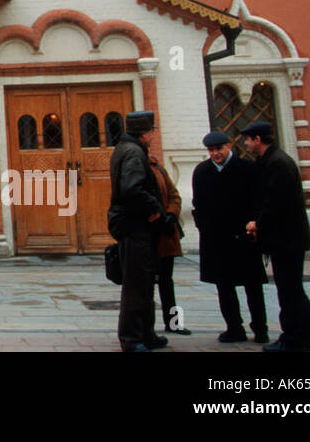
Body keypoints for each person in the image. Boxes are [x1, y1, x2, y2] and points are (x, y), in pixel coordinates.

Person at [243, 122, 310, 351]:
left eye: (248, 139)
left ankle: (293, 339)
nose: (245, 143)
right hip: (284, 238)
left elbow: (274, 202)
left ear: (258, 139)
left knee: (288, 291)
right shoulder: (271, 161)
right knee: (292, 289)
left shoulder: (278, 164)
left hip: (287, 239)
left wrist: (257, 223)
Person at [191, 130, 267, 343]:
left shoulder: (246, 169)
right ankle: (234, 327)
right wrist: (204, 228)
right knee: (224, 286)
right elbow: (198, 204)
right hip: (216, 239)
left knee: (252, 285)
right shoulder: (202, 171)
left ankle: (260, 328)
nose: (216, 154)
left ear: (229, 146)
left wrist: (253, 224)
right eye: (211, 150)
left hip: (243, 237)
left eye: (219, 149)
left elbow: (257, 200)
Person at [108, 110, 172, 352]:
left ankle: (146, 333)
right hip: (135, 225)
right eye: (152, 130)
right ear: (146, 132)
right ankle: (132, 339)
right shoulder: (133, 152)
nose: (154, 134)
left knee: (145, 282)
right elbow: (131, 189)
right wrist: (154, 208)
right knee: (136, 284)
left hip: (136, 225)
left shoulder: (127, 149)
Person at [150, 153, 189, 335]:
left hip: (165, 236)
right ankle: (147, 328)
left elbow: (174, 196)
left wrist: (171, 214)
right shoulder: (133, 170)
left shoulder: (159, 169)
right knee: (146, 286)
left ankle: (173, 323)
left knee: (167, 282)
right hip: (147, 236)